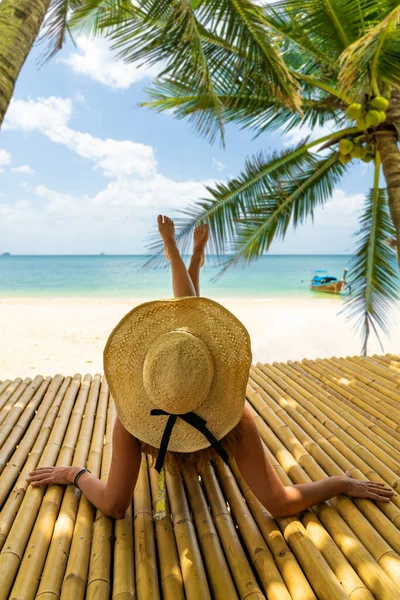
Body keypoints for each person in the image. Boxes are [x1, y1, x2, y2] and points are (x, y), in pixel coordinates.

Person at [27, 215, 394, 519]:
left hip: (176, 406)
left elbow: (113, 505)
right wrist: (339, 483)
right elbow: (281, 503)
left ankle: (182, 258)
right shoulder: (234, 417)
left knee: (187, 341)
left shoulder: (133, 419)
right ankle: (184, 260)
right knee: (190, 338)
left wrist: (74, 474)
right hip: (213, 419)